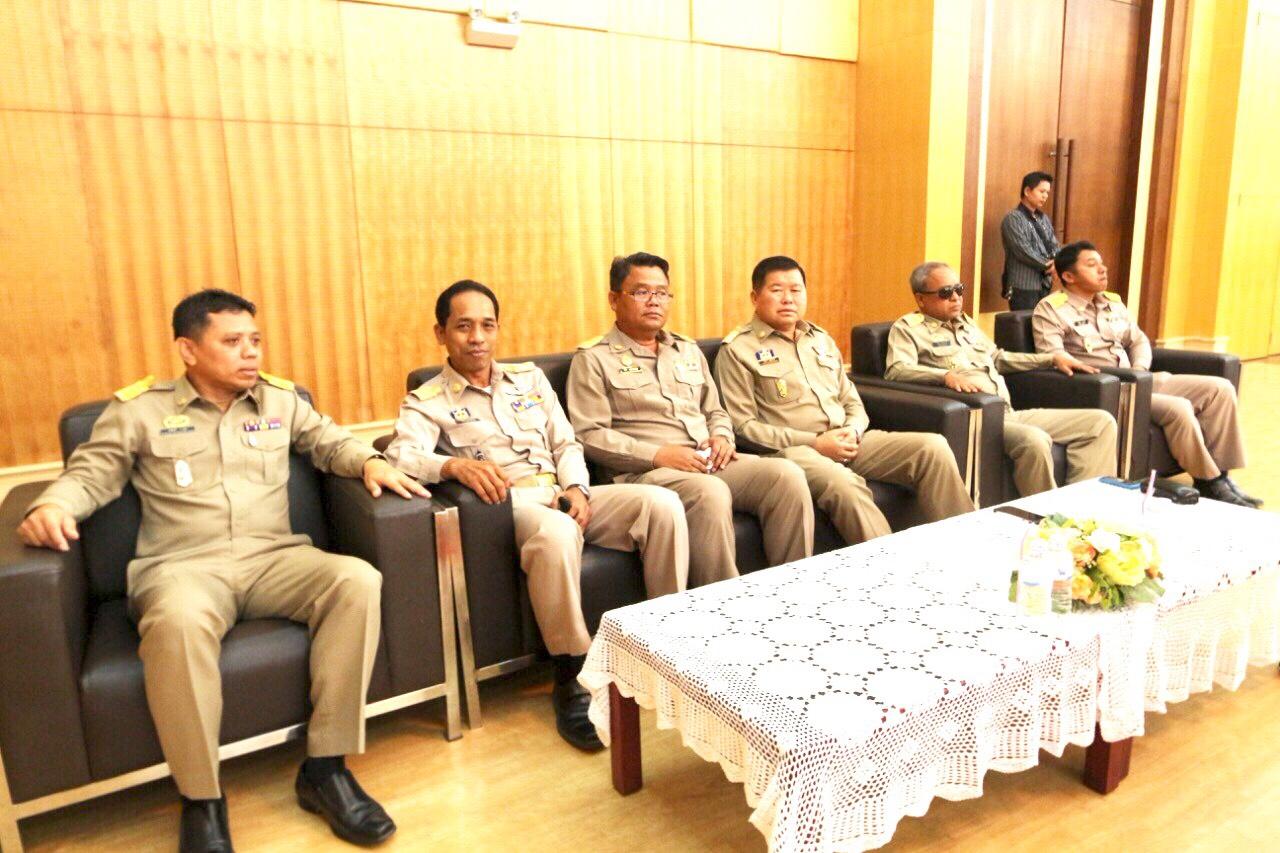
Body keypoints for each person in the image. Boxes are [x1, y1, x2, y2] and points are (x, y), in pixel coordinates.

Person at [16, 289, 424, 852]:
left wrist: (370, 461)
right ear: (188, 349)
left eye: (254, 340)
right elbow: (90, 475)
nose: (250, 353)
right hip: (183, 569)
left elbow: (329, 443)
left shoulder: (280, 400)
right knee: (178, 623)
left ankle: (326, 769)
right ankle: (202, 799)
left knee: (356, 580)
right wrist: (53, 507)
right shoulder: (140, 411)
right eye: (232, 342)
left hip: (275, 558)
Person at [385, 280, 689, 751]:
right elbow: (401, 456)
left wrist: (576, 487)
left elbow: (566, 443)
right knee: (557, 533)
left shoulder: (528, 380)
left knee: (661, 505)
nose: (477, 337)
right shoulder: (428, 401)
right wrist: (452, 466)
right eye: (463, 327)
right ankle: (571, 675)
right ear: (441, 333)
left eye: (487, 325)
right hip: (510, 508)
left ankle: (666, 643)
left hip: (562, 491)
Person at [567, 252, 814, 585]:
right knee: (708, 491)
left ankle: (793, 588)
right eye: (641, 292)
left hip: (707, 460)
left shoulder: (687, 350)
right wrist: (658, 455)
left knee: (785, 475)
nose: (654, 301)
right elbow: (590, 434)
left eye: (662, 293)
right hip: (646, 472)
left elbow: (715, 411)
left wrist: (722, 437)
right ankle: (723, 603)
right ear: (614, 299)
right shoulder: (593, 359)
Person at [715, 255, 974, 543]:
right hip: (794, 451)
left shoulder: (820, 340)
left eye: (796, 290)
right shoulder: (738, 350)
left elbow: (851, 400)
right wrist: (815, 442)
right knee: (845, 484)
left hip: (848, 440)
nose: (788, 299)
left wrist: (852, 430)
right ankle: (890, 564)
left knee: (932, 448)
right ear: (755, 297)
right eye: (777, 290)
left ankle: (963, 544)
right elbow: (743, 427)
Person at [1032, 242, 1259, 507]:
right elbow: (1054, 358)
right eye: (1092, 265)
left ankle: (1222, 474)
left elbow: (1139, 341)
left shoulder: (1112, 303)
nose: (1103, 269)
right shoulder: (1051, 309)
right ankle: (1209, 480)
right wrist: (1124, 379)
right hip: (1108, 390)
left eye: (1102, 263)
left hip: (1140, 379)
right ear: (1069, 276)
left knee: (1220, 389)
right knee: (1178, 407)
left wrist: (1140, 369)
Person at [886, 262, 1118, 496]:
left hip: (1009, 412)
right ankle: (1046, 512)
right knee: (1034, 440)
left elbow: (998, 358)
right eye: (945, 293)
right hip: (979, 421)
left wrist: (1051, 359)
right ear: (921, 299)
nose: (955, 297)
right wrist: (944, 376)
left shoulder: (966, 324)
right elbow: (897, 370)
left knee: (1100, 423)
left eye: (959, 289)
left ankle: (1084, 504)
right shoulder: (908, 329)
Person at [1001, 170, 1060, 310]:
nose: (1045, 196)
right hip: (1023, 286)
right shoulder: (1013, 218)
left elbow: (1053, 244)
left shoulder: (1043, 218)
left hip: (1045, 284)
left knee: (1043, 321)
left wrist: (1058, 261)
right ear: (1027, 191)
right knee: (1025, 322)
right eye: (1042, 191)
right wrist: (1049, 266)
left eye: (1047, 192)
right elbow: (1023, 251)